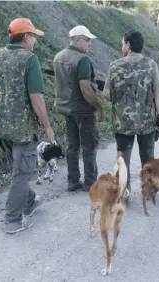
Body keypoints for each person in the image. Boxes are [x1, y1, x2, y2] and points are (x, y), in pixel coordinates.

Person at [0, 18, 55, 234]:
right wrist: (47, 126)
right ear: (25, 38)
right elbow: (36, 98)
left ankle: (30, 202)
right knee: (22, 174)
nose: (35, 41)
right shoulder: (29, 59)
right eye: (34, 36)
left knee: (17, 171)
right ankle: (12, 220)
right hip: (22, 130)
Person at [103, 30, 159, 202]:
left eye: (123, 43)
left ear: (128, 44)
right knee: (148, 158)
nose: (122, 47)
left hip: (123, 123)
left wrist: (120, 99)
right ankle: (149, 190)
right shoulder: (151, 65)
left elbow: (106, 94)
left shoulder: (115, 65)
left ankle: (124, 193)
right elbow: (157, 96)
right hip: (146, 123)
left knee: (123, 160)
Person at [53, 25, 104, 192]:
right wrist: (98, 107)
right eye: (88, 40)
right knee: (89, 146)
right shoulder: (82, 60)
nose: (89, 44)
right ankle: (90, 183)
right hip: (82, 111)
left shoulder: (58, 56)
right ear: (79, 39)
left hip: (66, 109)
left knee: (72, 146)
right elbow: (85, 89)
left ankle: (72, 181)